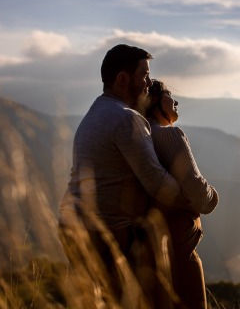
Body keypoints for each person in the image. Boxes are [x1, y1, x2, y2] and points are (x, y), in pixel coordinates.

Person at [58, 44, 183, 308]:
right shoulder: (125, 119)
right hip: (107, 233)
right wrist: (194, 197)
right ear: (123, 79)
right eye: (144, 75)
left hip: (74, 228)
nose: (149, 83)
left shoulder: (95, 114)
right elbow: (159, 186)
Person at [146, 79, 219, 309]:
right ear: (154, 100)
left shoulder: (138, 137)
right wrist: (213, 195)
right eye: (168, 94)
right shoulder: (170, 136)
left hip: (146, 249)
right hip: (178, 246)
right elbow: (200, 196)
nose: (175, 100)